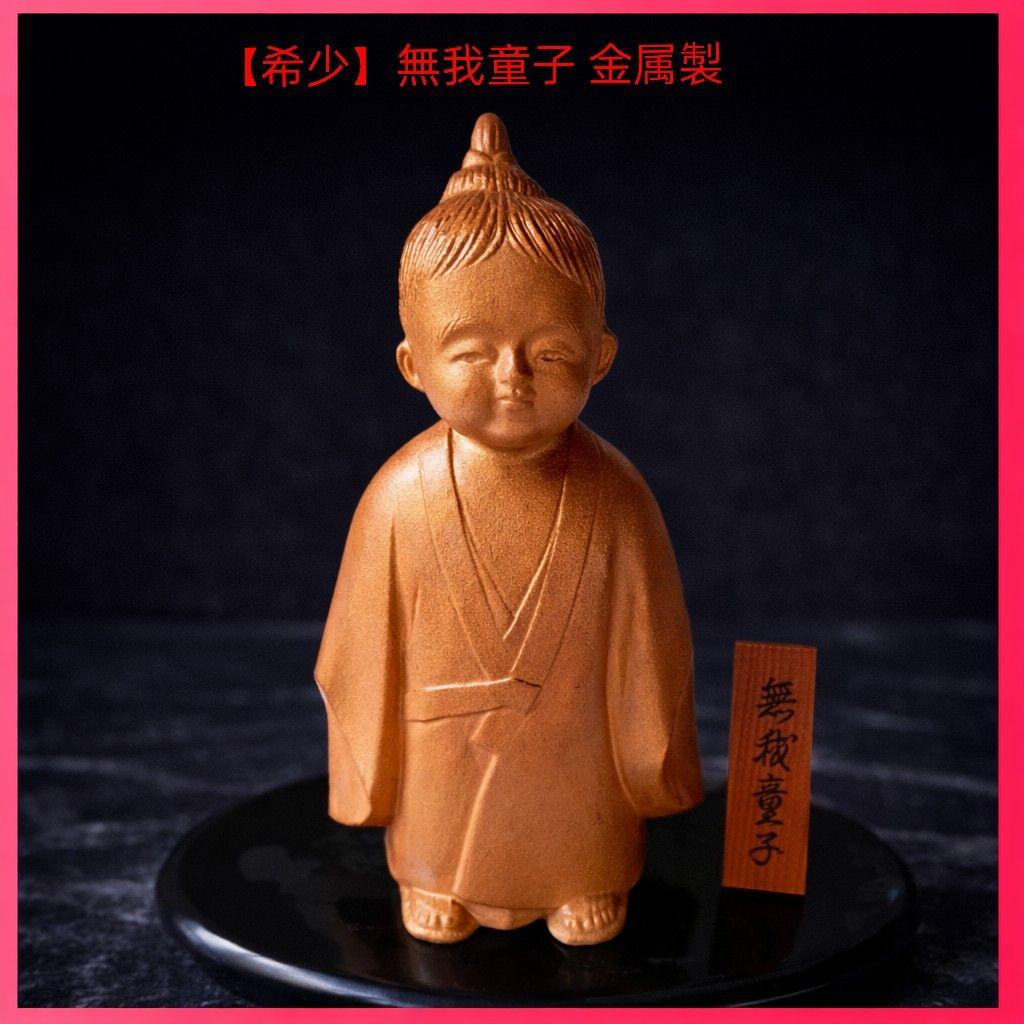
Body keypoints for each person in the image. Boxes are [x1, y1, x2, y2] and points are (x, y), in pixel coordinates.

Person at [315, 113, 703, 945]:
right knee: (439, 843)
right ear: (413, 364)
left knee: (579, 834)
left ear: (601, 357)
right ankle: (434, 877)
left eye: (551, 353)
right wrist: (369, 772)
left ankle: (586, 875)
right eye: (470, 352)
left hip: (574, 750)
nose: (512, 377)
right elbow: (357, 652)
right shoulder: (398, 497)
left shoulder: (617, 497)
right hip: (442, 758)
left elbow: (653, 647)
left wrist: (650, 758)